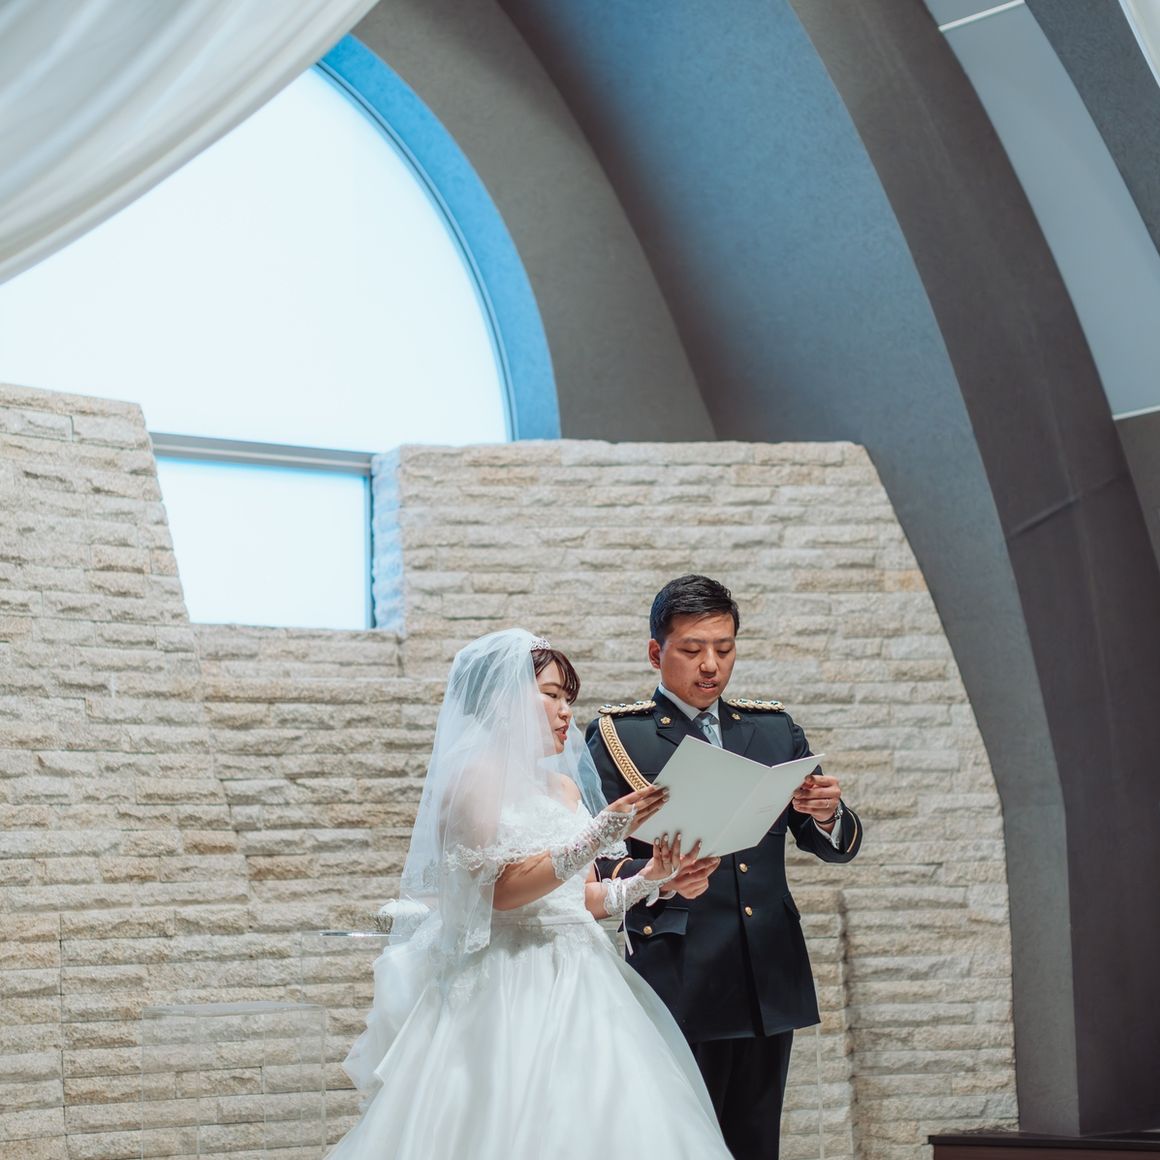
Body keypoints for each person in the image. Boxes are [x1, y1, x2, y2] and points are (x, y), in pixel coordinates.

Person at [327, 628, 734, 1160]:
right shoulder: (472, 781)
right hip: (509, 979)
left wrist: (651, 878)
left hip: (583, 973)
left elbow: (580, 899)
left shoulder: (563, 788)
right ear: (503, 699)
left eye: (568, 698)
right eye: (551, 695)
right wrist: (599, 834)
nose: (566, 712)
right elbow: (498, 893)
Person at [586, 575, 863, 1160]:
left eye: (724, 648)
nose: (710, 665)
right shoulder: (620, 736)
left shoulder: (773, 729)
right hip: (678, 965)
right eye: (691, 649)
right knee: (679, 1142)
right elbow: (595, 860)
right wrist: (656, 880)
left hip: (766, 966)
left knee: (758, 1142)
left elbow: (832, 845)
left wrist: (828, 813)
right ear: (656, 652)